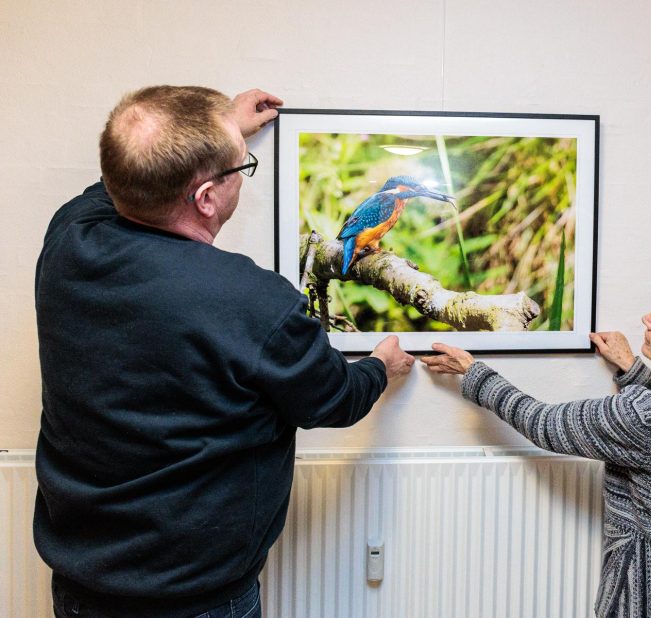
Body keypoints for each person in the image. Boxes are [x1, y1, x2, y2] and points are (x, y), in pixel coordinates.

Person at [34, 86, 415, 618]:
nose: (243, 171)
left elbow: (126, 174)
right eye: (242, 167)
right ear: (208, 197)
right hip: (196, 601)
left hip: (80, 590)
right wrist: (381, 366)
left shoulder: (68, 239)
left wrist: (219, 128)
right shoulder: (253, 302)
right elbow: (333, 400)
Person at [422, 266, 651, 617]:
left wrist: (474, 373)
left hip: (642, 595)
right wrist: (633, 370)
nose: (646, 320)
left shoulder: (645, 417)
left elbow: (543, 422)